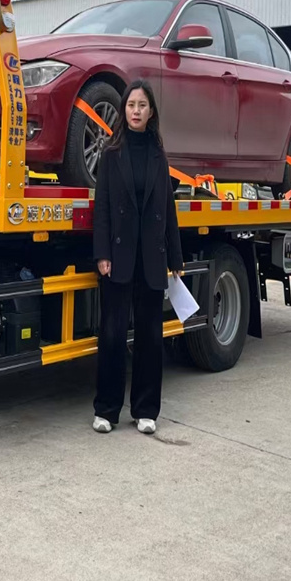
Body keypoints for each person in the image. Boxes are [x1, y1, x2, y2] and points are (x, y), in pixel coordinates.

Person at [92, 80, 183, 434]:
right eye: (131, 105)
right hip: (117, 257)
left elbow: (168, 209)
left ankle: (146, 410)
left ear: (151, 112)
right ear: (123, 111)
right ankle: (106, 410)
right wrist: (102, 253)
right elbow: (102, 208)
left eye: (142, 105)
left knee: (150, 337)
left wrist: (175, 257)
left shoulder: (160, 156)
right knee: (112, 335)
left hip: (152, 258)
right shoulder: (111, 154)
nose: (135, 111)